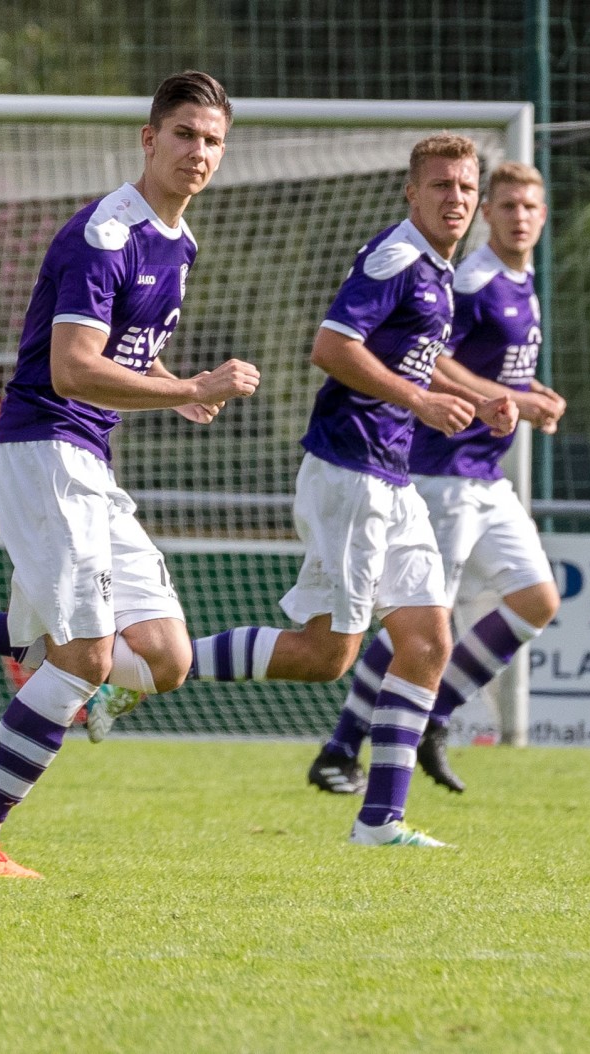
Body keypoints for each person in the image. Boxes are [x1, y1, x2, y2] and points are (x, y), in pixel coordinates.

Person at [97, 133, 514, 848]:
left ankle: (380, 821)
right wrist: (419, 404)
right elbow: (331, 347)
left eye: (466, 189)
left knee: (426, 639)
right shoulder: (396, 256)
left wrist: (475, 395)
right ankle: (140, 673)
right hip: (348, 475)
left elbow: (412, 355)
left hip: (391, 475)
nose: (456, 199)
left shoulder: (438, 269)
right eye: (441, 186)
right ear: (412, 194)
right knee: (328, 656)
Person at [0, 70, 259, 878]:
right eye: (183, 135)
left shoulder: (180, 242)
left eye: (212, 141)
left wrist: (174, 386)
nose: (197, 152)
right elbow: (71, 369)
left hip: (88, 460)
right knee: (90, 661)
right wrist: (189, 389)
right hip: (44, 449)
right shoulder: (106, 234)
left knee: (167, 658)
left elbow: (127, 349)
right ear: (149, 138)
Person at [311, 161, 564, 795]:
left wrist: (527, 394)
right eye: (506, 206)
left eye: (529, 207)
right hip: (441, 471)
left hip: (486, 474)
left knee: (537, 600)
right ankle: (343, 746)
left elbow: (483, 366)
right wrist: (501, 398)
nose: (519, 217)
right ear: (488, 214)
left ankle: (432, 714)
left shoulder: (521, 278)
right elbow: (437, 358)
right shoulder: (472, 277)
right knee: (418, 621)